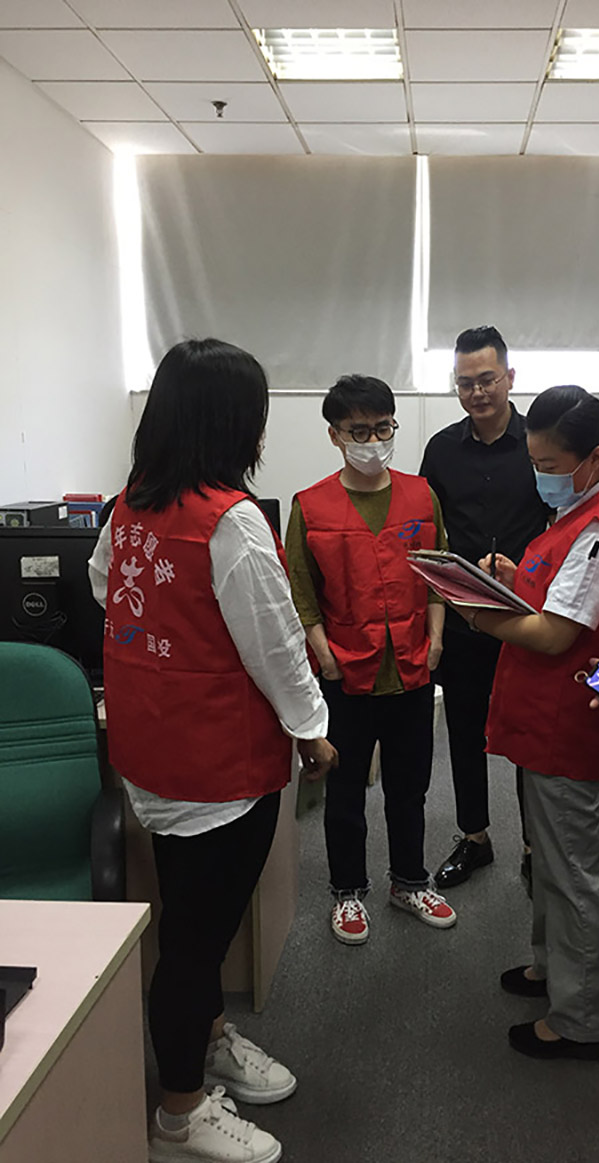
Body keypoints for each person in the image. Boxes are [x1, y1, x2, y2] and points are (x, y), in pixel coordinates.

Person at [89, 338, 336, 1163]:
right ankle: (179, 1112)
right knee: (196, 943)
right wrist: (312, 728)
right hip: (217, 768)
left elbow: (101, 584)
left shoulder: (131, 504)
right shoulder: (231, 519)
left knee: (193, 918)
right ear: (232, 424)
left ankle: (211, 1037)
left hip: (153, 753)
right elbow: (277, 645)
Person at [452, 385, 599, 1060]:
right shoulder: (578, 512)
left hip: (570, 715)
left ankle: (584, 1020)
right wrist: (512, 580)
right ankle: (553, 968)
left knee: (571, 869)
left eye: (551, 464)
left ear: (595, 457)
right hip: (547, 713)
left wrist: (476, 613)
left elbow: (558, 633)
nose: (540, 474)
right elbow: (554, 598)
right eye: (534, 461)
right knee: (550, 857)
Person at [286, 374, 456, 945]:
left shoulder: (421, 495)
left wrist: (435, 639)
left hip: (412, 667)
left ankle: (409, 881)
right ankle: (347, 890)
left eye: (383, 428)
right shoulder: (310, 506)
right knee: (345, 792)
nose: (373, 440)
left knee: (410, 788)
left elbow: (440, 575)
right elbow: (301, 592)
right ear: (334, 435)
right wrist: (325, 655)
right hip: (344, 673)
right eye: (359, 431)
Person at [420, 326, 550, 890]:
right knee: (465, 732)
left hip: (528, 617)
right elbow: (428, 529)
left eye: (487, 379)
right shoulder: (441, 449)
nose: (477, 392)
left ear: (510, 378)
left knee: (528, 734)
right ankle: (475, 838)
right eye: (465, 382)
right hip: (465, 616)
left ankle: (534, 844)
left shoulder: (540, 442)